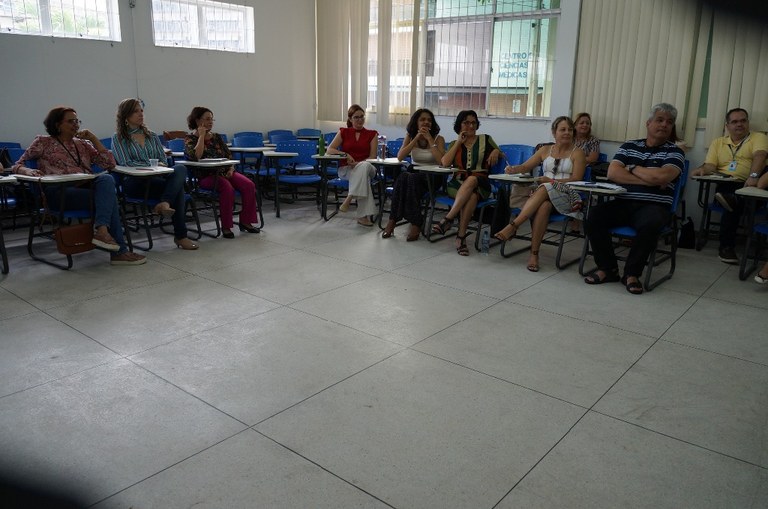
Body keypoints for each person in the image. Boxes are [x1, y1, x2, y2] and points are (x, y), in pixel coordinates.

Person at [12, 106, 145, 265]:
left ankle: (102, 231)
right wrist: (28, 171)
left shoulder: (83, 144)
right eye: (70, 121)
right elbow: (17, 165)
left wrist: (94, 139)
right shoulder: (43, 142)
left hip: (83, 189)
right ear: (57, 124)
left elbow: (109, 164)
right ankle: (118, 251)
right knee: (110, 201)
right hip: (59, 193)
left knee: (107, 179)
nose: (75, 125)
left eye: (77, 121)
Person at [583, 103, 685, 295]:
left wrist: (632, 168)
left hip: (655, 206)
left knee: (651, 224)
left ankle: (631, 274)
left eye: (669, 122)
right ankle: (608, 269)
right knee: (593, 216)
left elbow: (662, 177)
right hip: (624, 202)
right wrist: (650, 180)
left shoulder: (675, 152)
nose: (664, 125)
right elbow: (613, 173)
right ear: (648, 123)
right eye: (660, 120)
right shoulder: (630, 146)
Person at [494, 116, 587, 271]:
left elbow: (577, 178)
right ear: (554, 132)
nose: (567, 133)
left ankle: (513, 225)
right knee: (544, 206)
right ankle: (534, 255)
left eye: (570, 130)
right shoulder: (545, 150)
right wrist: (513, 169)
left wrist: (551, 181)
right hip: (544, 197)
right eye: (563, 129)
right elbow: (525, 167)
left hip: (567, 196)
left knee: (544, 187)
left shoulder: (578, 153)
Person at [111, 98, 198, 250]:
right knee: (177, 189)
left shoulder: (151, 135)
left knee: (180, 168)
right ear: (125, 115)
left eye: (141, 111)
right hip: (135, 182)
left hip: (157, 179)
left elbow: (163, 159)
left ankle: (165, 203)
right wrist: (152, 165)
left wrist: (155, 165)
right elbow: (126, 163)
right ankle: (180, 235)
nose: (141, 114)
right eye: (135, 111)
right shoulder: (118, 138)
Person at [691, 108, 768, 264]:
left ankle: (726, 247)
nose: (739, 124)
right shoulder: (718, 142)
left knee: (732, 204)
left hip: (751, 185)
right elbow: (711, 165)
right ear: (727, 126)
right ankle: (727, 244)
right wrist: (702, 169)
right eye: (735, 122)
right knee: (731, 200)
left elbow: (760, 156)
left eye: (743, 121)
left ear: (748, 123)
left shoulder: (758, 137)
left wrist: (753, 176)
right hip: (727, 184)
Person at [184, 106, 260, 239]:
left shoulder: (217, 137)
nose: (210, 122)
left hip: (225, 172)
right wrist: (201, 136)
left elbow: (229, 156)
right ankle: (226, 226)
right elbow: (196, 156)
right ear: (197, 120)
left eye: (212, 119)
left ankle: (245, 221)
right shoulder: (190, 139)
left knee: (249, 185)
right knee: (227, 188)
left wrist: (231, 169)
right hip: (206, 176)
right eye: (207, 119)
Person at [433, 110, 501, 256]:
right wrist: (459, 142)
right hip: (457, 183)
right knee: (471, 196)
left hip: (481, 181)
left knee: (472, 179)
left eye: (473, 123)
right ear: (459, 125)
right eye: (466, 123)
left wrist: (496, 151)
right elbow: (445, 163)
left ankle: (448, 218)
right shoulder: (454, 143)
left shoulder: (485, 139)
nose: (470, 126)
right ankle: (461, 237)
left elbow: (501, 154)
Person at [382, 108, 446, 241]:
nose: (426, 122)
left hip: (432, 176)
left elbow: (441, 161)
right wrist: (415, 137)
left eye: (429, 120)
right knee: (406, 177)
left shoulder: (438, 139)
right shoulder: (410, 136)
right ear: (416, 122)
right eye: (422, 119)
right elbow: (400, 157)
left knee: (407, 178)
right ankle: (412, 222)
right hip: (414, 174)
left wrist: (430, 139)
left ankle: (395, 221)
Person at [325, 104, 378, 227]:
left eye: (362, 117)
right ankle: (362, 217)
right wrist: (345, 154)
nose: (360, 120)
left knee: (364, 166)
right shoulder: (343, 132)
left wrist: (358, 163)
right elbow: (330, 150)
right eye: (356, 117)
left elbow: (372, 157)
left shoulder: (372, 134)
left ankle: (350, 197)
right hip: (347, 169)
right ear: (350, 119)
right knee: (363, 177)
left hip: (369, 167)